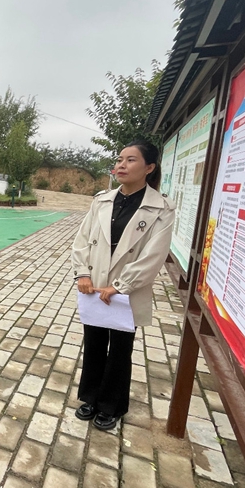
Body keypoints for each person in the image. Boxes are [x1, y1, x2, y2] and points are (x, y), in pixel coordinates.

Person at [71, 139, 175, 431]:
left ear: (149, 168)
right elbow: (82, 240)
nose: (121, 165)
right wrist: (82, 274)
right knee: (93, 343)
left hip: (125, 293)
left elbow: (154, 254)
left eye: (130, 160)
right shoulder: (102, 200)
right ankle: (90, 397)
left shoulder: (161, 208)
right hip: (94, 286)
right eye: (119, 159)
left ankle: (111, 406)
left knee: (120, 350)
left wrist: (120, 285)